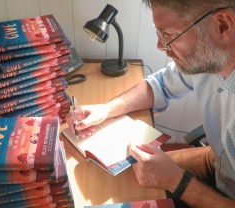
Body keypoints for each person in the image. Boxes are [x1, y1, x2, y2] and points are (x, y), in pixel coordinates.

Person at [65, 1, 235, 207]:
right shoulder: (210, 57)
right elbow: (160, 85)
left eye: (168, 34)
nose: (161, 46)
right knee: (126, 173)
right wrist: (106, 109)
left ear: (223, 25)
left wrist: (177, 182)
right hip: (218, 161)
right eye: (159, 33)